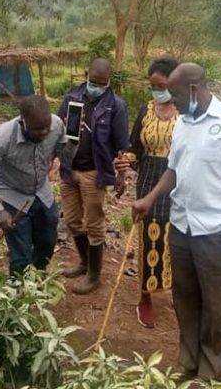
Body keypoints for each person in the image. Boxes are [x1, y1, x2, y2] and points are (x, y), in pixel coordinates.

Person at [132, 62, 221, 383]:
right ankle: (189, 362)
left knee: (217, 305)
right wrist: (150, 198)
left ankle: (211, 372)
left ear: (194, 90)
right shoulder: (183, 123)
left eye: (176, 96)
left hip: (218, 230)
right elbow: (174, 170)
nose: (172, 103)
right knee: (185, 299)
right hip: (182, 226)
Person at [0, 96, 78, 274]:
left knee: (47, 243)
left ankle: (36, 281)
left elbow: (66, 158)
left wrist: (74, 142)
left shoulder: (57, 125)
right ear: (23, 123)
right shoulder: (1, 139)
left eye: (47, 129)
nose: (44, 133)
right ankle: (19, 292)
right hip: (13, 195)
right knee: (21, 255)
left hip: (41, 191)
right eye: (37, 130)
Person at [58, 58, 130, 295]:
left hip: (94, 172)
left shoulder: (116, 106)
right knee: (71, 220)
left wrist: (121, 176)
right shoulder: (72, 98)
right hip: (70, 168)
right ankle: (84, 262)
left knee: (94, 224)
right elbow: (58, 127)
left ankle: (94, 275)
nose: (96, 86)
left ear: (108, 81)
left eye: (101, 83)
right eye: (93, 81)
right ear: (86, 75)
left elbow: (121, 146)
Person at [119, 57, 180, 328]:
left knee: (177, 238)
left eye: (162, 85)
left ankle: (180, 292)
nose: (157, 91)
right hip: (148, 181)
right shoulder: (146, 110)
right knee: (149, 238)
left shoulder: (187, 113)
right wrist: (125, 159)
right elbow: (136, 149)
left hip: (180, 183)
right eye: (153, 86)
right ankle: (145, 297)